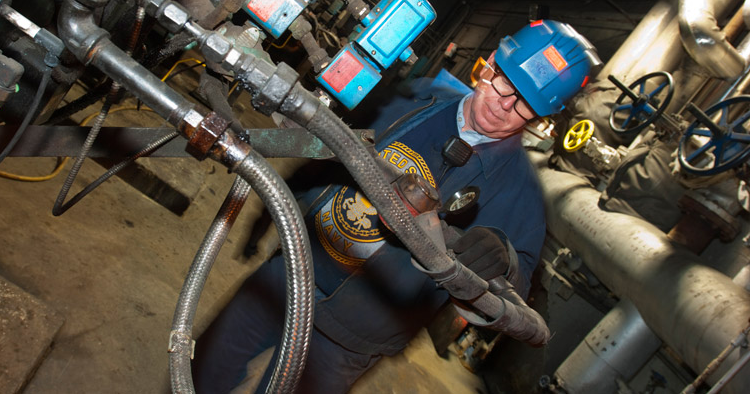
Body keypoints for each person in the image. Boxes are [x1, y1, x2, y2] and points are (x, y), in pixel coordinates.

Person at [192, 19, 601, 393]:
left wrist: (503, 257)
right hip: (289, 271)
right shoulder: (417, 97)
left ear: (544, 119)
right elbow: (328, 146)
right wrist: (272, 211)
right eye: (505, 82)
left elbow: (515, 291)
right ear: (490, 62)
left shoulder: (522, 193)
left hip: (350, 339)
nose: (503, 104)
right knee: (204, 370)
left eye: (526, 105)